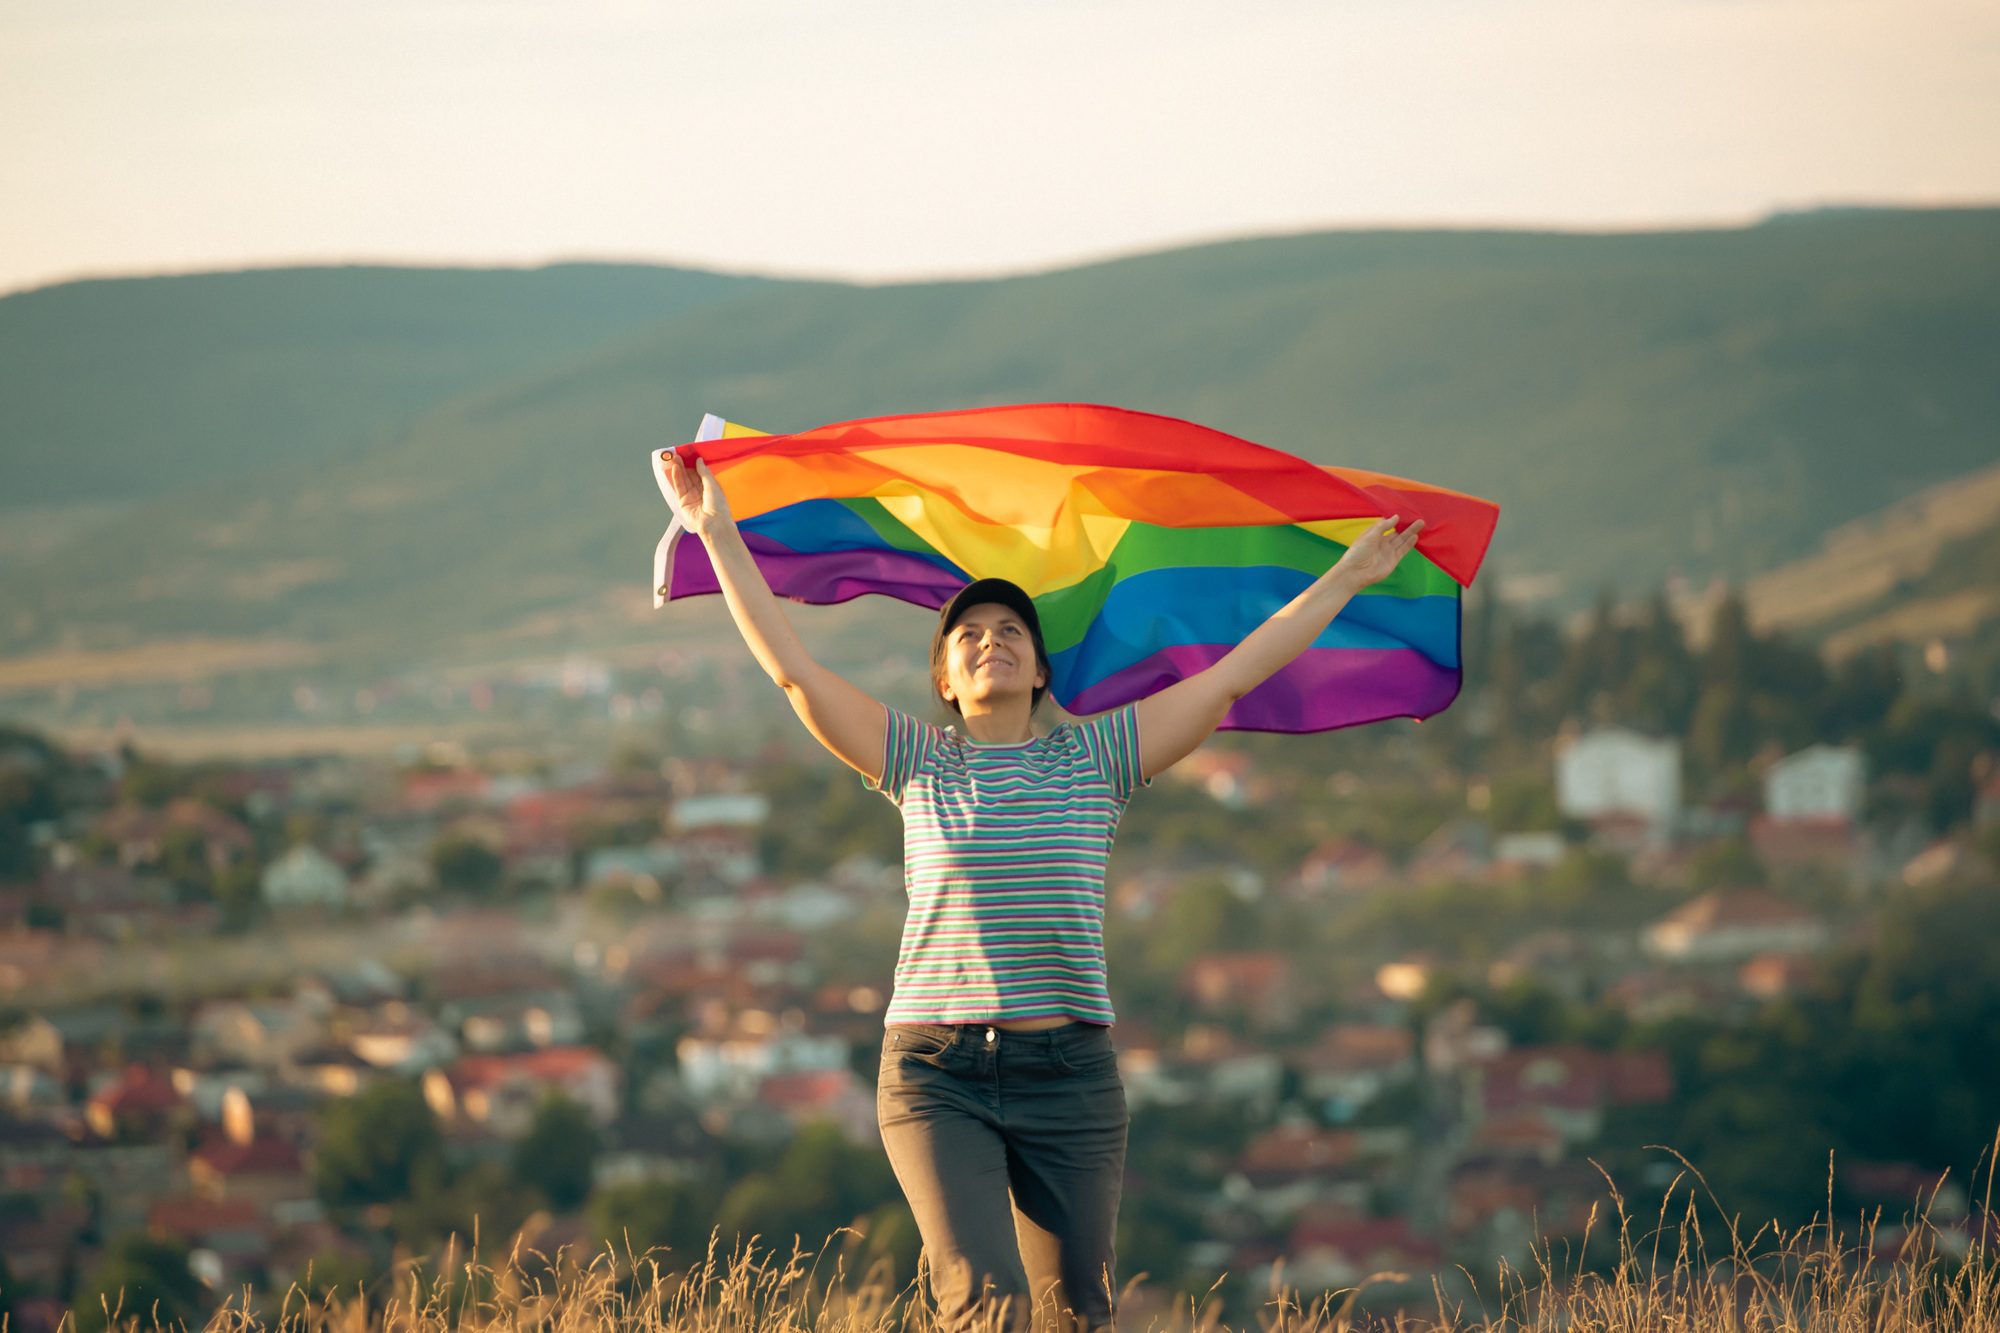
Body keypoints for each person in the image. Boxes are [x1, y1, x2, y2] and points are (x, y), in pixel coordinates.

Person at [660, 450, 1423, 1331]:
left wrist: (1349, 575)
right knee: (987, 1304)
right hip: (936, 1073)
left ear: (1041, 672)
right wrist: (715, 529)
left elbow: (1233, 675)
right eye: (969, 635)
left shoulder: (1097, 757)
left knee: (1078, 1315)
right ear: (945, 678)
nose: (993, 640)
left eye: (1012, 632)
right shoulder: (917, 761)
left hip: (1071, 1076)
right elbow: (796, 672)